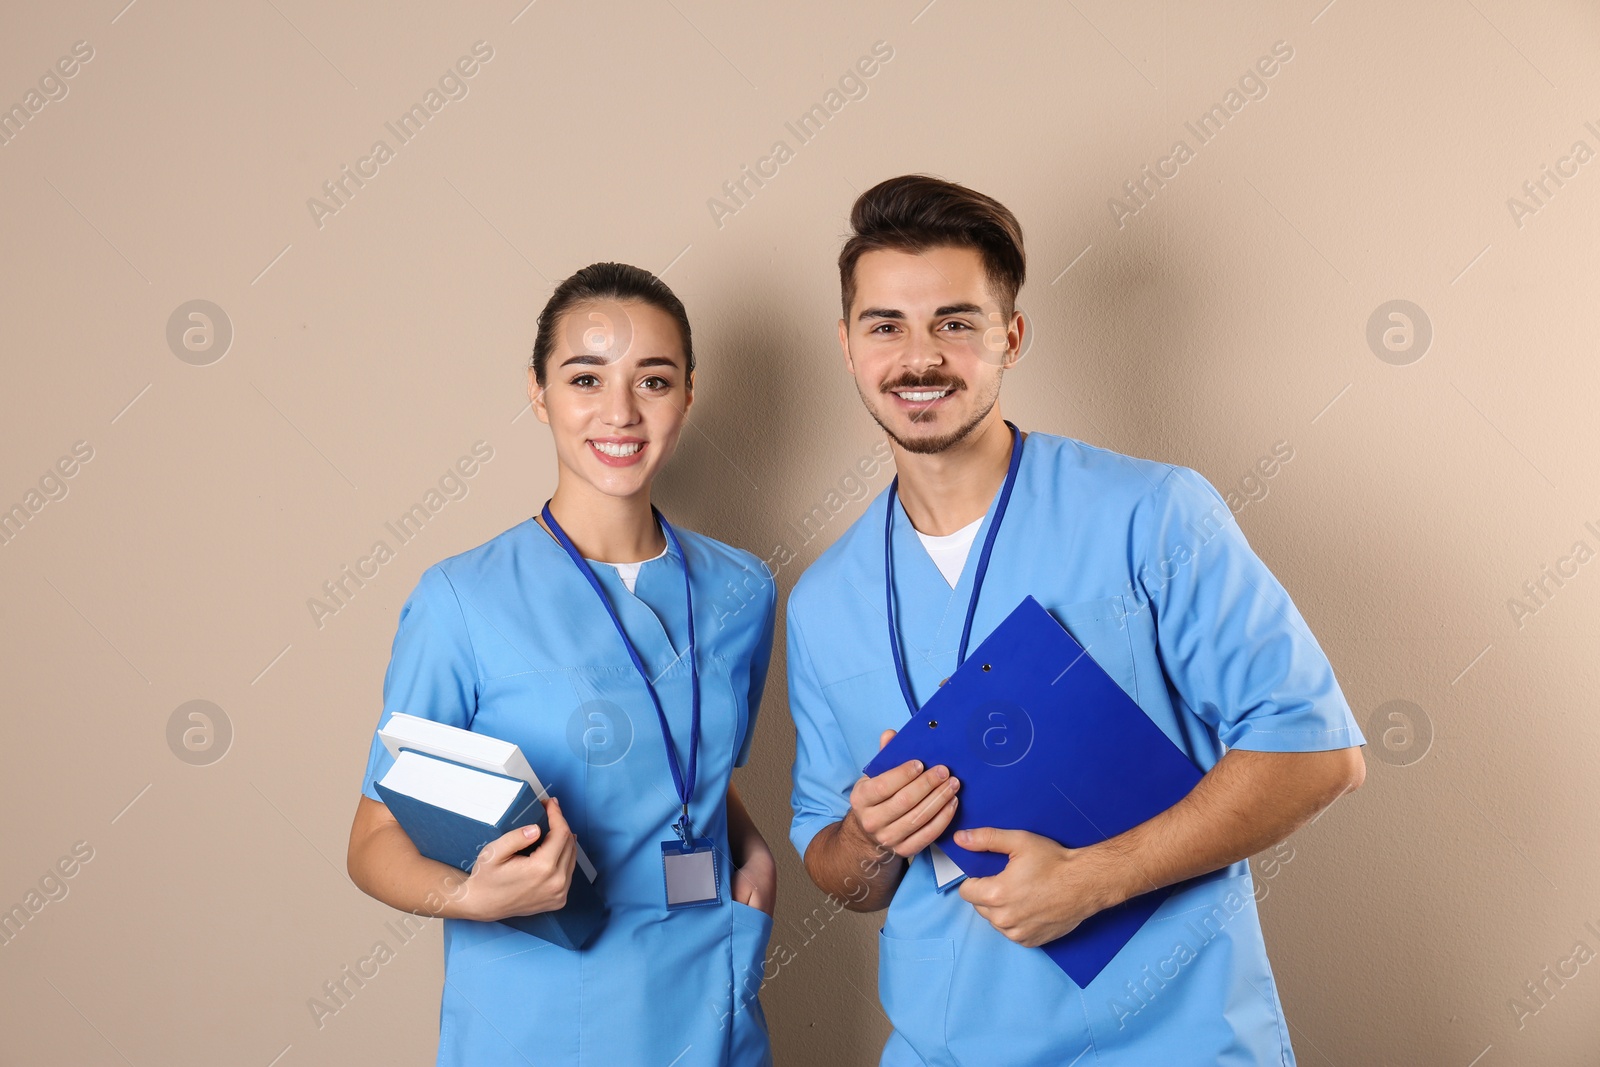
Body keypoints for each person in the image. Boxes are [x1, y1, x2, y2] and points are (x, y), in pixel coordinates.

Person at [786, 175, 1367, 1065]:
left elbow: (1317, 751)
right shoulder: (827, 600)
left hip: (1172, 1042)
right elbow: (840, 870)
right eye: (885, 326)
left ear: (1010, 337)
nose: (919, 356)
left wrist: (1094, 880)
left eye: (955, 322)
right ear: (848, 345)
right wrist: (866, 838)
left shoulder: (1152, 514)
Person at [347, 262, 778, 1066]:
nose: (620, 411)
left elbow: (697, 763)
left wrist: (751, 856)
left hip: (709, 996)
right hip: (540, 1010)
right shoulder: (460, 602)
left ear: (688, 393)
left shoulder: (741, 590)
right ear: (540, 393)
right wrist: (470, 894)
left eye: (653, 379)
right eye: (586, 378)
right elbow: (373, 837)